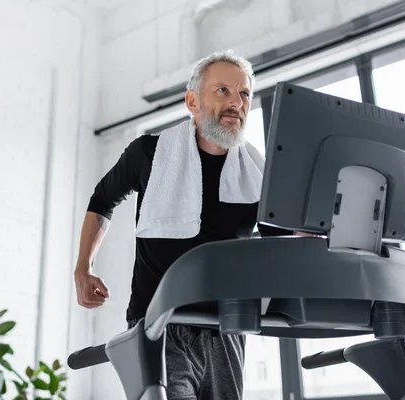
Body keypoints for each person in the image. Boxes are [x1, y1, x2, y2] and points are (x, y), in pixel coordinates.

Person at [73, 50, 292, 399]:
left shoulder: (258, 174)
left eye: (244, 94)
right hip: (160, 322)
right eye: (223, 90)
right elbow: (102, 201)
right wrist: (83, 270)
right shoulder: (149, 153)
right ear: (193, 100)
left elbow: (282, 247)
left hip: (225, 329)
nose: (236, 102)